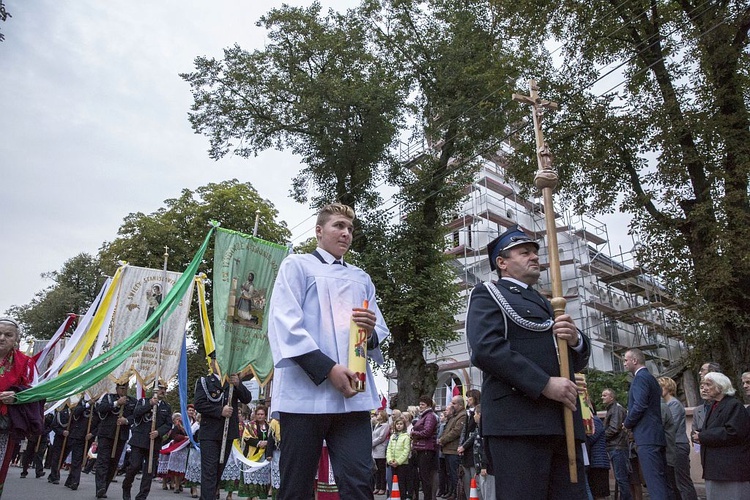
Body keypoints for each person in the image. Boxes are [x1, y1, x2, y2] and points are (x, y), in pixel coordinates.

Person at [267, 202, 389, 500]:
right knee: (296, 484)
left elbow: (379, 330)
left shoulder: (361, 278)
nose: (346, 233)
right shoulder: (297, 266)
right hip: (305, 397)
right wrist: (328, 368)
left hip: (352, 398)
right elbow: (285, 324)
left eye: (350, 228)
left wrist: (370, 333)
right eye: (338, 226)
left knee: (360, 480)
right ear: (319, 231)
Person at [466, 225, 591, 499]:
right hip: (518, 423)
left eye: (535, 252)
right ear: (502, 263)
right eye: (524, 252)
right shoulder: (489, 293)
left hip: (562, 422)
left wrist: (576, 341)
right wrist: (544, 384)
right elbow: (486, 348)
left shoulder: (548, 302)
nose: (534, 257)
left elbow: (571, 360)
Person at [193, 357, 252, 500]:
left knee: (218, 470)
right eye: (215, 361)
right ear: (212, 363)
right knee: (209, 471)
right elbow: (199, 404)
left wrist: (238, 384)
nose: (218, 364)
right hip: (209, 433)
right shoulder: (204, 382)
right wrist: (219, 411)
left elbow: (247, 399)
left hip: (228, 433)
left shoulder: (232, 381)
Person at [691, 372, 750, 499]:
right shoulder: (714, 405)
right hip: (716, 469)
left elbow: (733, 432)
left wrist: (703, 436)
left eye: (708, 384)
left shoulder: (734, 405)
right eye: (703, 384)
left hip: (729, 471)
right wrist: (698, 433)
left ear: (720, 386)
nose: (705, 388)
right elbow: (714, 427)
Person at [623, 348, 670, 500]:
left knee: (654, 483)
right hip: (655, 435)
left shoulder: (640, 378)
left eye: (626, 360)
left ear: (634, 361)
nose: (624, 364)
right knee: (662, 482)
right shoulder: (651, 378)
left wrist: (627, 423)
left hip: (646, 437)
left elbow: (640, 405)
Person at [0, 317, 39, 498]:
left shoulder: (26, 364)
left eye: (8, 335)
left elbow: (35, 393)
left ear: (16, 339)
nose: (2, 338)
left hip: (4, 426)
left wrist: (17, 396)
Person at [122, 381, 172, 500]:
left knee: (149, 471)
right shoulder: (144, 401)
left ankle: (142, 496)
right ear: (155, 389)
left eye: (165, 389)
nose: (163, 391)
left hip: (154, 442)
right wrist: (149, 404)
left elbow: (168, 424)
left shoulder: (166, 406)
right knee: (134, 466)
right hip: (139, 440)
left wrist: (158, 432)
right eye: (160, 388)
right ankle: (126, 486)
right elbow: (136, 413)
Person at [94, 380, 137, 499]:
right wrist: (116, 403)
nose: (123, 390)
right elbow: (100, 409)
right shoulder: (108, 398)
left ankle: (105, 487)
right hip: (106, 434)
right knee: (103, 461)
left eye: (125, 388)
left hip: (121, 435)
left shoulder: (133, 401)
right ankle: (100, 487)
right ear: (117, 388)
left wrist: (126, 420)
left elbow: (136, 415)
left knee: (113, 463)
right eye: (121, 388)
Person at [658, 377, 698, 500]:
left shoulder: (674, 404)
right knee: (674, 481)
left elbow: (670, 426)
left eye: (661, 386)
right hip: (673, 446)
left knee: (682, 481)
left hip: (678, 445)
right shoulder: (666, 404)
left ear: (668, 388)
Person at [601, 388, 631, 500]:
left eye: (605, 395)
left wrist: (600, 438)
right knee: (621, 478)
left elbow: (614, 429)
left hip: (617, 447)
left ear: (611, 397)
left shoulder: (616, 409)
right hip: (616, 447)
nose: (602, 397)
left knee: (621, 478)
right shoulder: (612, 409)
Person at [63, 396, 96, 491]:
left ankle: (70, 480)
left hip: (88, 437)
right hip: (78, 435)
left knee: (80, 459)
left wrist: (93, 433)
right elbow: (76, 413)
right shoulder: (82, 402)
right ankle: (75, 482)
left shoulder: (98, 406)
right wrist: (88, 404)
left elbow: (100, 422)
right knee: (76, 459)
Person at [411, 396, 439, 500]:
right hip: (421, 448)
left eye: (422, 404)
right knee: (423, 476)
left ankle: (428, 497)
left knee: (425, 477)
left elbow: (427, 431)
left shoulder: (430, 416)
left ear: (428, 405)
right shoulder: (424, 416)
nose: (420, 406)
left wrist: (414, 433)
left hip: (426, 449)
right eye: (420, 404)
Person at [438, 395, 466, 500]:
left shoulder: (462, 416)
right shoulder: (454, 416)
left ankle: (456, 494)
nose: (452, 405)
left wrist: (442, 440)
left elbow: (456, 431)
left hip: (453, 449)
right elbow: (447, 430)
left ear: (460, 404)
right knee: (449, 474)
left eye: (454, 403)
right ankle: (451, 492)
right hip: (448, 449)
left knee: (455, 474)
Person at [457, 389, 480, 500]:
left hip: (473, 449)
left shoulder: (479, 411)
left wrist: (464, 445)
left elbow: (476, 432)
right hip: (465, 451)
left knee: (474, 479)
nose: (468, 400)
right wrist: (461, 445)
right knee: (466, 479)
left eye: (469, 398)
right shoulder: (468, 413)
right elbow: (464, 431)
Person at [386, 415, 411, 499]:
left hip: (402, 464)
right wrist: (389, 460)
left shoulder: (406, 436)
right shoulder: (393, 436)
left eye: (401, 424)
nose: (399, 425)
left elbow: (406, 451)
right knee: (393, 482)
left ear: (404, 425)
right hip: (392, 463)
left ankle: (403, 497)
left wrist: (398, 461)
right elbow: (389, 448)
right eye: (397, 424)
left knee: (402, 483)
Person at [371, 409, 389, 496]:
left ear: (382, 416)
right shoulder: (377, 424)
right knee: (376, 470)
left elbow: (381, 437)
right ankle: (377, 486)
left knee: (382, 470)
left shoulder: (385, 426)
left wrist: (372, 443)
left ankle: (382, 487)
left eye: (378, 414)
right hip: (375, 450)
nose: (376, 416)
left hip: (381, 449)